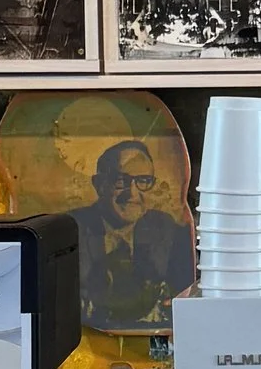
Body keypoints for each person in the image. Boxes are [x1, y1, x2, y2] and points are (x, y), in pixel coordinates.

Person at [75, 141, 196, 335]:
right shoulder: (72, 230)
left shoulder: (166, 229)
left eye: (143, 181)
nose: (132, 193)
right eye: (120, 180)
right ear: (99, 185)